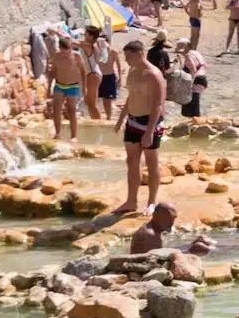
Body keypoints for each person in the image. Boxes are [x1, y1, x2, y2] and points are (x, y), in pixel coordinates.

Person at [112, 40, 166, 216]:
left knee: (151, 162)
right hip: (133, 121)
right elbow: (131, 97)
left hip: (150, 123)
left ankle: (151, 202)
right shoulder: (134, 72)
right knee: (131, 161)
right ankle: (131, 201)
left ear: (140, 54)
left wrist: (150, 131)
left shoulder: (154, 75)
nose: (126, 60)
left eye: (129, 57)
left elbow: (158, 104)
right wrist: (120, 120)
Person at [129, 201, 216, 256]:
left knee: (202, 243)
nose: (171, 223)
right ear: (156, 215)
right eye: (168, 218)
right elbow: (157, 259)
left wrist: (190, 245)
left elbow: (163, 251)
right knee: (201, 247)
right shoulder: (149, 235)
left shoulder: (156, 230)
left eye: (173, 218)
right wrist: (190, 250)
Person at [47, 37, 85, 140]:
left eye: (67, 53)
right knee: (56, 109)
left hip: (72, 85)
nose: (65, 55)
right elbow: (52, 72)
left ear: (71, 48)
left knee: (71, 110)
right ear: (60, 48)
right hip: (59, 85)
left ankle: (74, 136)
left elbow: (83, 71)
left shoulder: (77, 56)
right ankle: (58, 133)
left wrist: (84, 87)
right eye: (63, 52)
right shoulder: (57, 56)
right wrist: (48, 87)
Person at [87, 25, 120, 119]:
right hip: (100, 77)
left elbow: (118, 65)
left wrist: (120, 77)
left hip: (109, 76)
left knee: (108, 100)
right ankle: (98, 117)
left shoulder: (113, 51)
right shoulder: (97, 52)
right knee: (97, 98)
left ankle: (108, 117)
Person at [169, 40, 205, 119]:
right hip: (202, 79)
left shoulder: (188, 56)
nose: (180, 53)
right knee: (193, 106)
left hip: (196, 81)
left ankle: (193, 127)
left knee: (192, 109)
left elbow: (193, 70)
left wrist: (190, 84)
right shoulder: (195, 53)